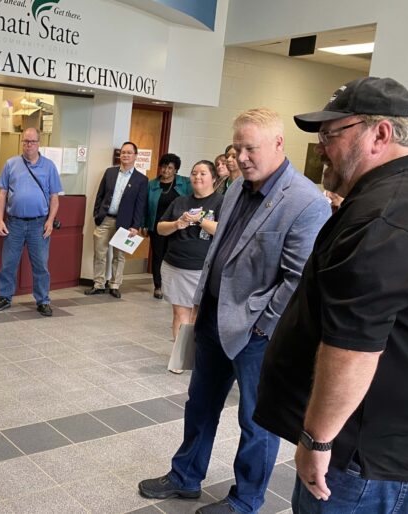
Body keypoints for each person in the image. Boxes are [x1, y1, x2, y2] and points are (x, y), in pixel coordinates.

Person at [138, 108, 330, 514]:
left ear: (279, 144)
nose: (240, 157)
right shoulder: (239, 188)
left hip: (257, 335)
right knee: (200, 404)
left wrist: (262, 327)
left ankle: (245, 500)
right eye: (237, 147)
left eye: (250, 148)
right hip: (211, 317)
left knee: (256, 422)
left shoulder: (305, 202)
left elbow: (298, 280)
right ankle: (186, 477)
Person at [255, 77, 408, 513]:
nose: (321, 147)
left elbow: (355, 347)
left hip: (360, 461)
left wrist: (316, 439)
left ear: (380, 134)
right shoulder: (398, 198)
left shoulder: (383, 215)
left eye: (331, 135)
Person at [156, 160, 222, 373]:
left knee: (199, 316)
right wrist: (177, 224)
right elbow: (160, 228)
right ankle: (180, 358)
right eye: (194, 173)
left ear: (213, 178)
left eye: (203, 173)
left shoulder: (222, 203)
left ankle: (198, 357)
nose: (197, 177)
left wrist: (200, 220)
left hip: (203, 268)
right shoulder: (180, 202)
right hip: (175, 264)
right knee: (180, 313)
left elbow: (224, 230)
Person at [0, 127, 63, 317]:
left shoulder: (49, 166)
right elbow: (2, 194)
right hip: (14, 223)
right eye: (25, 141)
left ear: (39, 144)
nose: (28, 145)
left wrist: (50, 221)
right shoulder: (11, 164)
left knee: (40, 266)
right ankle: (5, 297)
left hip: (39, 225)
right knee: (8, 264)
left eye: (32, 142)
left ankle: (43, 301)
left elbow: (55, 197)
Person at [84, 141, 147, 299]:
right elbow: (100, 195)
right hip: (105, 220)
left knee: (119, 256)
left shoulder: (141, 179)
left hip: (125, 224)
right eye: (123, 152)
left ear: (135, 156)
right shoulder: (110, 172)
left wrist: (135, 226)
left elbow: (141, 205)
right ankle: (98, 284)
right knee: (100, 254)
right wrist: (97, 215)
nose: (125, 155)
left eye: (129, 153)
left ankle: (114, 285)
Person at [145, 153, 192, 299]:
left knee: (173, 255)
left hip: (177, 227)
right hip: (158, 227)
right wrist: (144, 224)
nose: (166, 171)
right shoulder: (152, 184)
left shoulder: (185, 183)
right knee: (158, 256)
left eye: (170, 168)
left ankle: (172, 285)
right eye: (164, 167)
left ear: (176, 170)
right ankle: (158, 286)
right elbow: (145, 206)